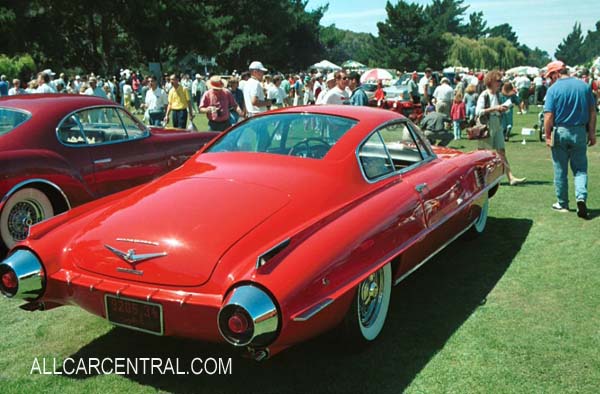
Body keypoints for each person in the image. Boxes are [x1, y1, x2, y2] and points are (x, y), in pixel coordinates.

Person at [543, 60, 596, 218]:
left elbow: (548, 116)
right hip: (579, 131)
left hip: (560, 131)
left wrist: (547, 135)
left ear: (556, 73)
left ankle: (562, 203)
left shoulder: (553, 90)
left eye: (550, 76)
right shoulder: (584, 86)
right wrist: (592, 133)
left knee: (560, 169)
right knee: (580, 169)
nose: (549, 79)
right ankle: (581, 197)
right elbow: (593, 112)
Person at [476, 70, 526, 185]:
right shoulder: (484, 95)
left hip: (497, 122)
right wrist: (495, 108)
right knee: (485, 153)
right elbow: (478, 111)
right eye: (498, 81)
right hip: (486, 124)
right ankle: (483, 179)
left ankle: (511, 177)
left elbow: (499, 108)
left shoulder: (498, 95)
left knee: (501, 151)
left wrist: (503, 108)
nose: (500, 83)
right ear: (491, 81)